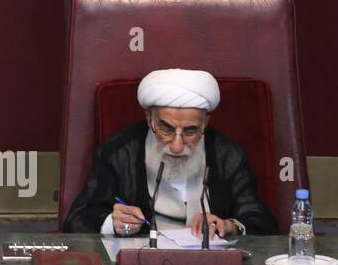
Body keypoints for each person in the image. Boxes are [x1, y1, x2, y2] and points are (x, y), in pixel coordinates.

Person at [63, 68, 276, 236]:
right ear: (150, 119)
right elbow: (77, 219)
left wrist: (229, 225)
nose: (176, 145)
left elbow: (260, 220)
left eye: (191, 131)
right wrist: (113, 223)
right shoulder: (118, 153)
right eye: (166, 128)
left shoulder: (227, 155)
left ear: (205, 122)